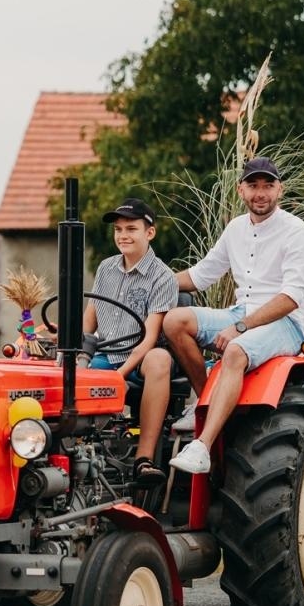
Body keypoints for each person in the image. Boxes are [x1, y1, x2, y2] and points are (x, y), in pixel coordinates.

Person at [164, 156, 304, 475]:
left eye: (268, 185)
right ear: (240, 190)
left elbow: (290, 298)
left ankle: (202, 446)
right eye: (253, 185)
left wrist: (240, 327)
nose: (260, 193)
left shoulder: (296, 232)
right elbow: (201, 275)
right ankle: (208, 400)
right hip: (240, 312)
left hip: (285, 323)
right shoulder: (235, 228)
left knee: (235, 351)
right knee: (174, 321)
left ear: (280, 190)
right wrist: (150, 279)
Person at [83, 197, 178, 486]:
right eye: (118, 229)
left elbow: (149, 339)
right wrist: (77, 353)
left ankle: (143, 460)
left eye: (131, 229)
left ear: (150, 232)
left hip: (141, 359)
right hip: (106, 354)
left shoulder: (163, 277)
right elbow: (90, 320)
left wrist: (119, 376)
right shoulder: (106, 269)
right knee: (67, 373)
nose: (123, 235)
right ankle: (77, 455)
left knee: (160, 359)